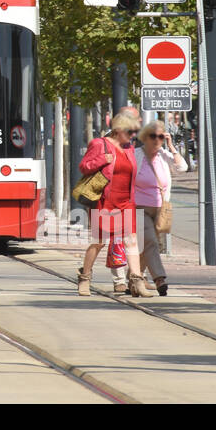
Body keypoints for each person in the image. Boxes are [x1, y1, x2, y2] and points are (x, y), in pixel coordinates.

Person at [75, 111, 155, 298]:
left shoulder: (128, 148)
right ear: (118, 129)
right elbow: (83, 166)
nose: (132, 135)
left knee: (131, 241)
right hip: (104, 201)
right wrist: (102, 159)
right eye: (129, 131)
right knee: (99, 242)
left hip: (126, 201)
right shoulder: (99, 144)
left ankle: (136, 282)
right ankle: (85, 277)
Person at [134, 121, 186, 297]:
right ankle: (159, 279)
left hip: (160, 209)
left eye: (161, 137)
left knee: (146, 247)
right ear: (145, 138)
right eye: (153, 136)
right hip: (138, 207)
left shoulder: (164, 155)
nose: (157, 140)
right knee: (152, 243)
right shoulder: (136, 155)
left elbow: (182, 168)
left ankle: (134, 278)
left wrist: (171, 146)